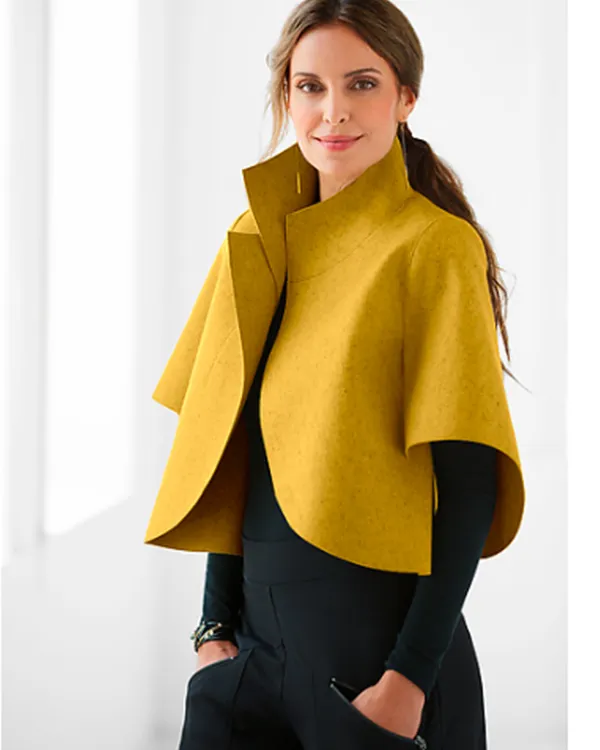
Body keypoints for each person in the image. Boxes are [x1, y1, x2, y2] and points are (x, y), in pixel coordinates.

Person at [143, 2, 526, 748]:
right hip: (250, 654)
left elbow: (469, 484)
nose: (333, 111)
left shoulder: (433, 247)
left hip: (378, 664)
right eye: (310, 86)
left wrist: (408, 679)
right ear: (287, 96)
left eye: (362, 84)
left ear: (405, 97)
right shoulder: (253, 240)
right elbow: (232, 446)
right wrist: (213, 630)